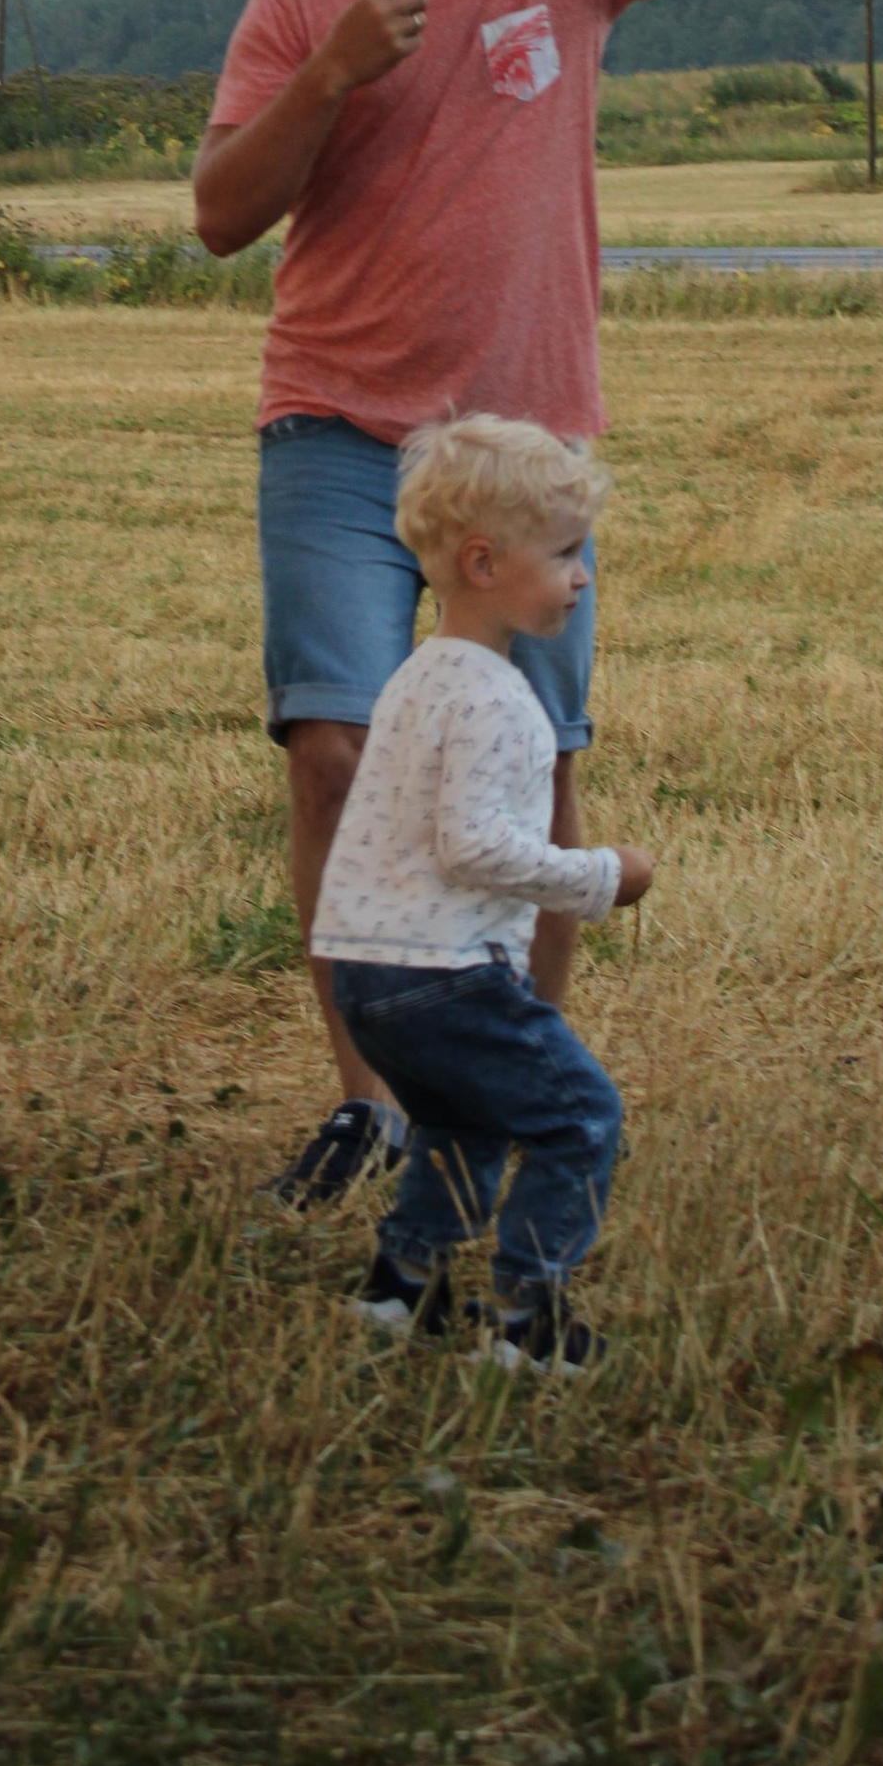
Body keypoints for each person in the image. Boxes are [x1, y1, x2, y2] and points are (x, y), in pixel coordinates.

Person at [196, 0, 882, 1206]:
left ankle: (500, 1094)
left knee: (539, 776)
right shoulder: (306, 4)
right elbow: (222, 212)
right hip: (343, 435)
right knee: (340, 749)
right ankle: (371, 1091)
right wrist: (336, 74)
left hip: (524, 451)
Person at [311, 414, 654, 1371]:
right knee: (580, 1117)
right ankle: (528, 1318)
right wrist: (598, 879)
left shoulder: (414, 680)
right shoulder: (498, 699)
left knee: (465, 1123)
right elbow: (474, 850)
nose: (581, 577)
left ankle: (399, 1287)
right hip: (447, 974)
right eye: (567, 554)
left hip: (367, 976)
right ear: (483, 563)